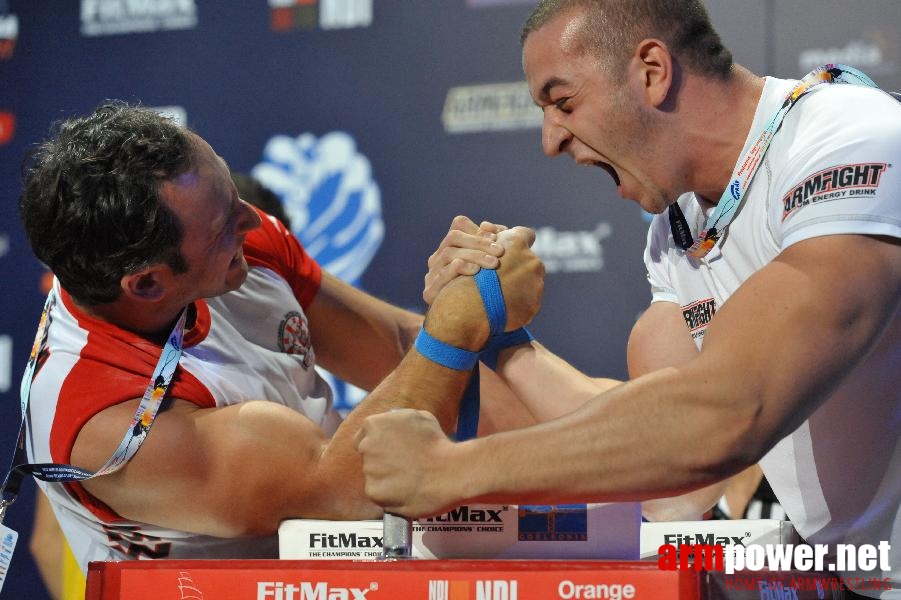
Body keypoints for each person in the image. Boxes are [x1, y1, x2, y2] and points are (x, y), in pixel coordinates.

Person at [354, 1, 901, 596]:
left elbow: (728, 414)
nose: (550, 140)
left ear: (651, 72)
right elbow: (675, 481)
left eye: (563, 103)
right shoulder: (678, 228)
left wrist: (452, 470)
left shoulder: (848, 139)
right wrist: (500, 328)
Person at [13, 101, 544, 573]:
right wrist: (459, 321)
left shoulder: (237, 237)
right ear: (148, 282)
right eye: (225, 225)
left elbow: (399, 346)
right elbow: (340, 488)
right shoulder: (99, 419)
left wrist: (577, 463)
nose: (253, 219)